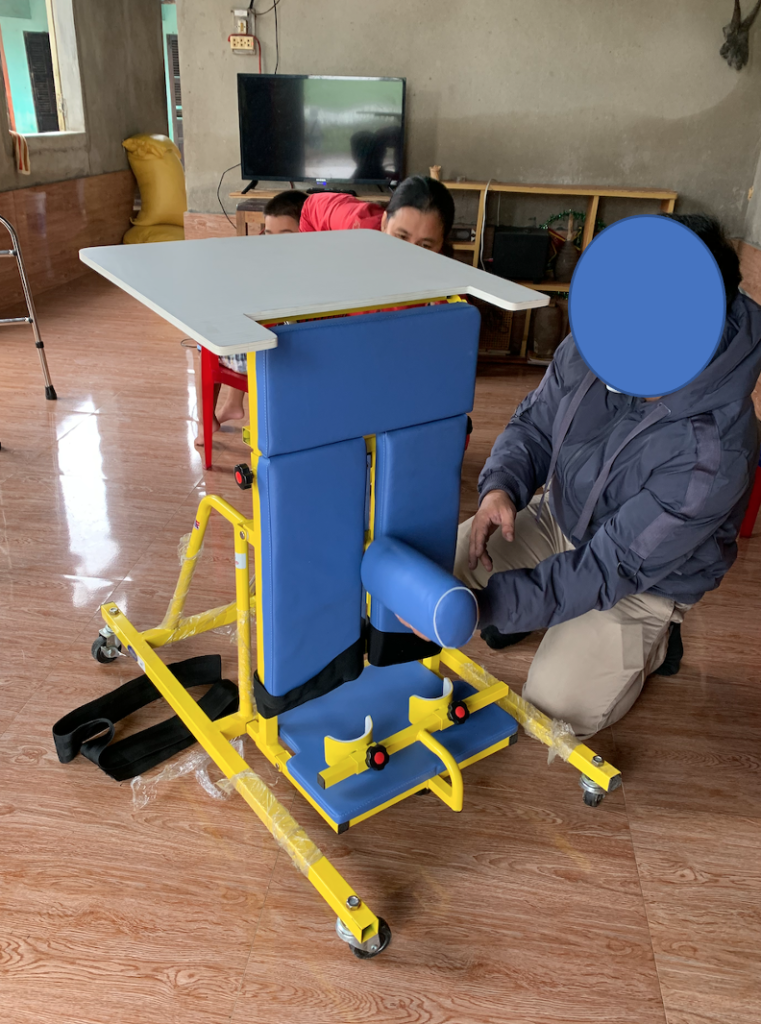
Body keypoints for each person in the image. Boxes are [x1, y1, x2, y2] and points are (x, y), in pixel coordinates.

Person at [449, 214, 761, 739]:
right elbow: (536, 423)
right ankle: (541, 608)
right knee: (443, 573)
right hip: (561, 515)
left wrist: (499, 603)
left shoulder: (714, 450)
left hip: (647, 578)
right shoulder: (605, 335)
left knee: (555, 708)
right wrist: (500, 486)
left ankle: (657, 640)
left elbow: (608, 565)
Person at [194, 190, 308, 449]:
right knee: (240, 327)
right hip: (286, 345)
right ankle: (233, 404)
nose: (275, 245)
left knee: (205, 341)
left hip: (273, 355)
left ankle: (205, 422)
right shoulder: (310, 262)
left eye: (285, 236)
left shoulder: (277, 269)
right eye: (269, 236)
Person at [299, 174, 455, 253]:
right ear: (384, 223)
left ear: (441, 243)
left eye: (424, 246)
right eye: (401, 237)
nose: (409, 255)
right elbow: (312, 206)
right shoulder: (357, 227)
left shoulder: (449, 284)